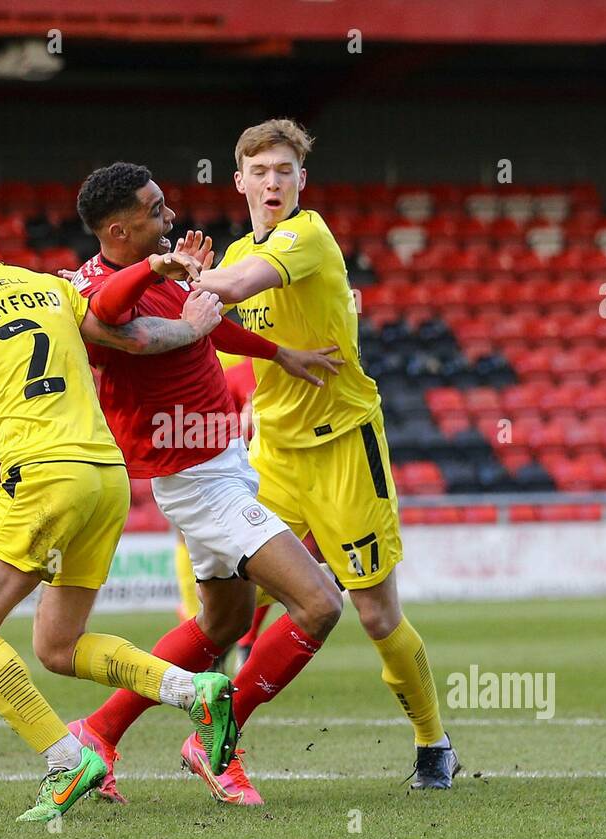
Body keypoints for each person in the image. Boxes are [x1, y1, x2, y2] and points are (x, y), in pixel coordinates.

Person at [0, 197, 239, 821]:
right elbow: (131, 337)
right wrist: (197, 327)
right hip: (106, 475)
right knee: (58, 646)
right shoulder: (49, 287)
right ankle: (193, 689)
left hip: (41, 478)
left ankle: (70, 761)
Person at [64, 162, 345, 805]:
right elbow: (111, 308)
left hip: (224, 465)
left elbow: (207, 318)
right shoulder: (94, 290)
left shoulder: (155, 270)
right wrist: (160, 273)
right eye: (156, 208)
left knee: (224, 622)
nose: (170, 217)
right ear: (118, 228)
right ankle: (216, 740)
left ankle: (99, 736)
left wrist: (280, 354)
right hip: (198, 481)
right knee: (321, 603)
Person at [192, 119, 460, 789]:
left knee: (375, 613)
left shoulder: (306, 237)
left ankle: (434, 741)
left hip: (344, 447)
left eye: (285, 170)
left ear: (301, 180)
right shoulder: (226, 254)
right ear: (240, 181)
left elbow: (239, 285)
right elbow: (213, 341)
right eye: (260, 171)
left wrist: (189, 281)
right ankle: (218, 742)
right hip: (273, 456)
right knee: (231, 609)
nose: (273, 182)